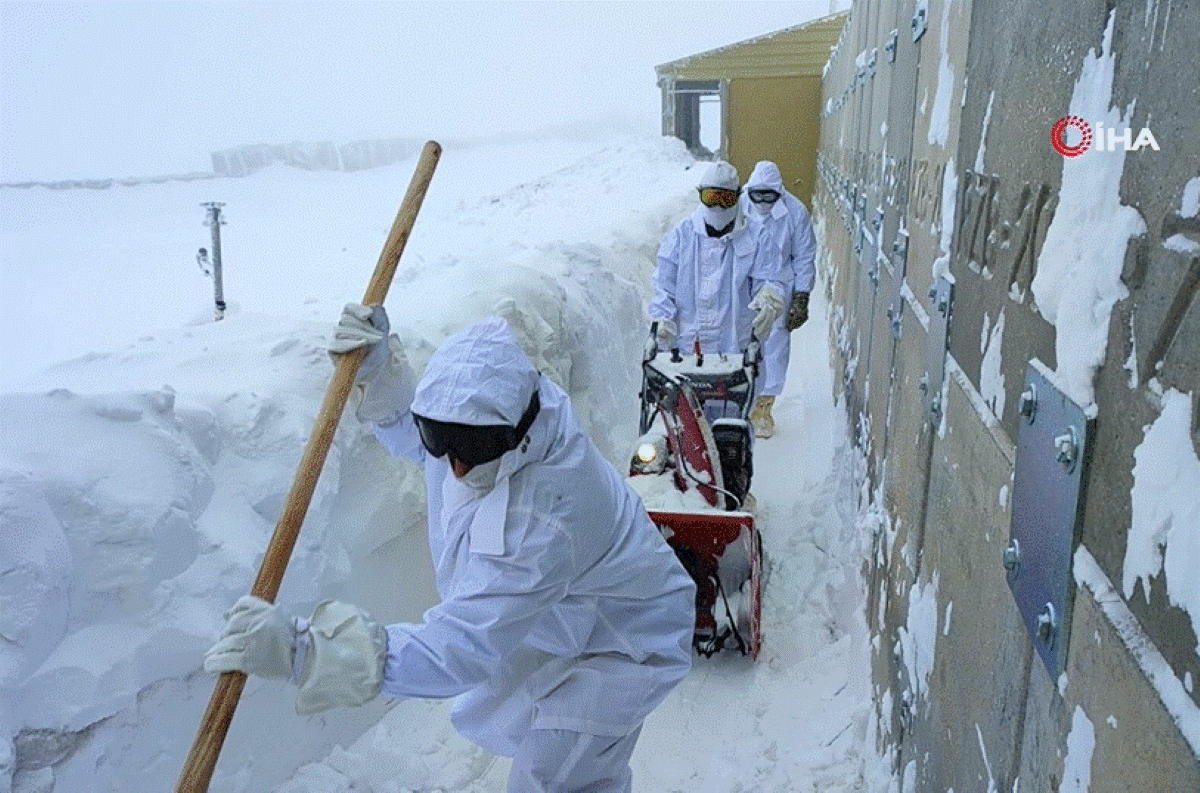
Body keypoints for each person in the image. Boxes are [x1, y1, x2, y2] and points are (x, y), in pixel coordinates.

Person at [205, 307, 696, 792]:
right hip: (570, 621)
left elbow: (461, 648)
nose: (455, 468)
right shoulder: (489, 434)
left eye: (469, 450)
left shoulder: (547, 515)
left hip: (625, 644)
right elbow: (432, 442)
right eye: (442, 439)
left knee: (552, 776)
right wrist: (379, 374)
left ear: (517, 432)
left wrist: (307, 651)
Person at [647, 160, 787, 360]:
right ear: (701, 196)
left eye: (726, 199)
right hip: (686, 350)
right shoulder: (681, 236)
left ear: (737, 198)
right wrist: (663, 319)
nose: (718, 207)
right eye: (711, 198)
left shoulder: (757, 236)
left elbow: (768, 277)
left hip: (735, 352)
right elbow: (664, 285)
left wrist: (769, 298)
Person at [740, 160, 817, 438]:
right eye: (757, 195)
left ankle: (763, 406)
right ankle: (740, 398)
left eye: (768, 196)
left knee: (774, 344)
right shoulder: (739, 205)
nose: (762, 201)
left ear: (779, 192)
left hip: (778, 284)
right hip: (742, 281)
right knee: (738, 338)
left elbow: (804, 256)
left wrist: (802, 295)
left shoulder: (795, 213)